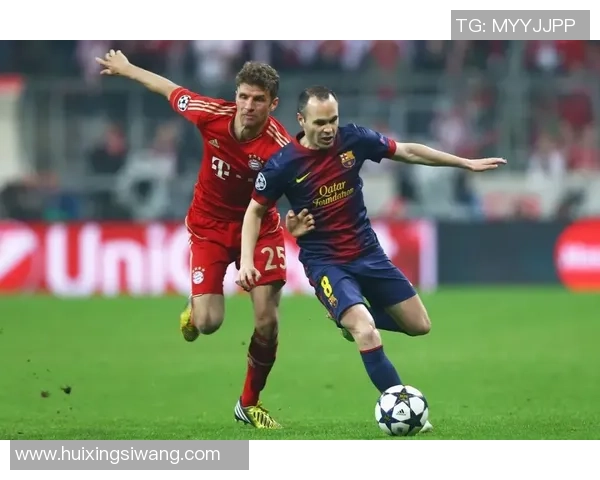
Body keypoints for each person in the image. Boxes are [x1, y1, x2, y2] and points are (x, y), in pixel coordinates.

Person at [238, 85, 507, 432]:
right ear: (301, 120)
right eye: (320, 122)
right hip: (327, 263)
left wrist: (463, 163)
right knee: (365, 330)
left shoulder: (354, 140)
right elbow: (254, 211)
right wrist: (248, 261)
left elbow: (406, 150)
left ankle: (346, 319)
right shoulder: (282, 164)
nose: (328, 129)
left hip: (368, 252)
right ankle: (403, 410)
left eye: (333, 120)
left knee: (419, 325)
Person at [96, 49, 297, 429]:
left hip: (261, 228)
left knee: (267, 321)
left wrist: (306, 222)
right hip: (209, 226)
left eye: (258, 100)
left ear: (273, 104)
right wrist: (127, 68)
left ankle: (249, 402)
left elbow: (305, 190)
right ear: (235, 95)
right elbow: (169, 89)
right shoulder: (211, 114)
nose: (248, 106)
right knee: (207, 323)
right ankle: (195, 306)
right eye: (243, 96)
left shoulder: (281, 147)